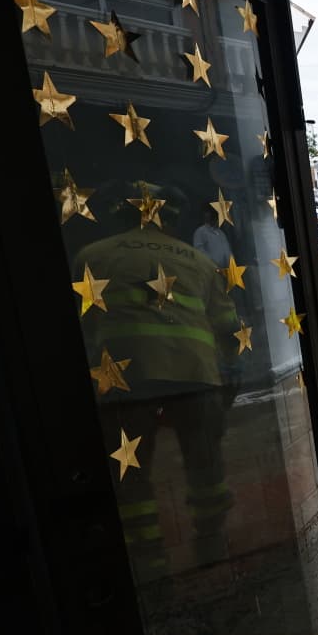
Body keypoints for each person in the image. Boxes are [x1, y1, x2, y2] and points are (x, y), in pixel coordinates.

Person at [76, 181, 241, 585]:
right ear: (169, 218)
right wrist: (226, 381)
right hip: (196, 376)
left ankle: (150, 564)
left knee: (131, 474)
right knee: (205, 466)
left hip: (125, 379)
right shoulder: (197, 261)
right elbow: (228, 327)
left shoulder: (92, 256)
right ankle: (211, 546)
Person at [193, 205, 233, 270]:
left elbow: (228, 252)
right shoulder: (201, 231)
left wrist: (232, 267)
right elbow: (199, 251)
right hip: (209, 271)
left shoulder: (221, 233)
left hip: (224, 272)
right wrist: (213, 264)